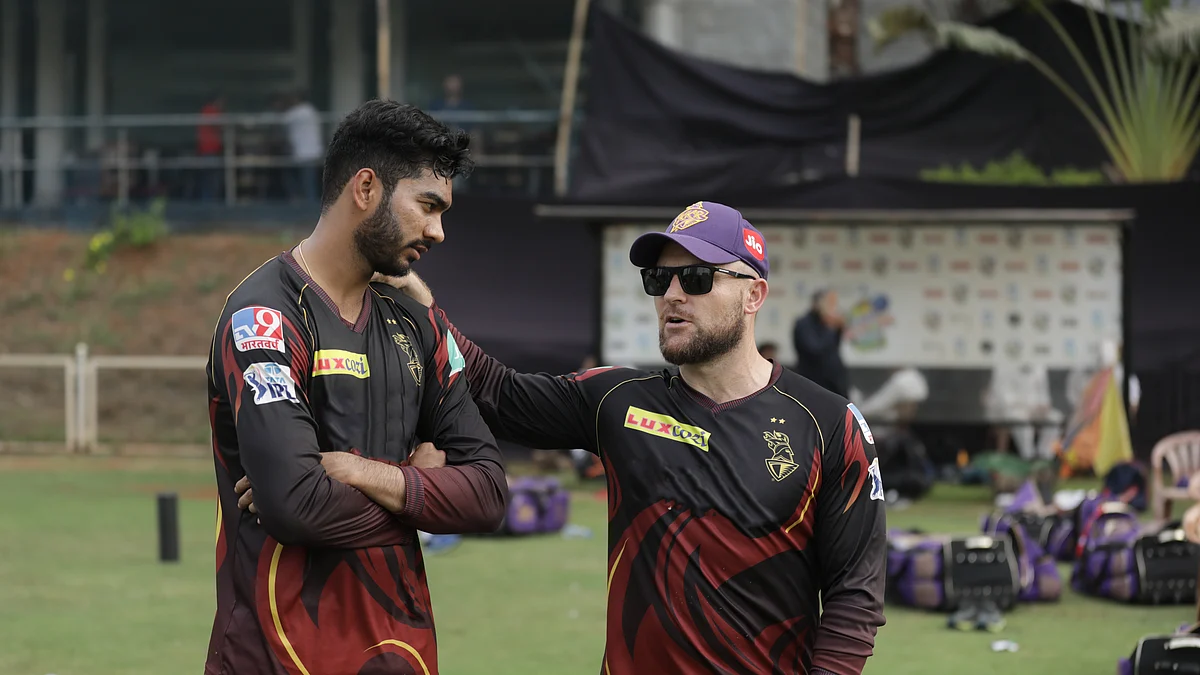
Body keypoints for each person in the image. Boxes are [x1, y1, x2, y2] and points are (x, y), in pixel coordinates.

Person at [375, 201, 887, 674]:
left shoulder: (830, 423)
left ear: (754, 294)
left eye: (696, 277)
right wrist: (424, 308)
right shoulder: (619, 400)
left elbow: (855, 597)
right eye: (659, 278)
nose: (672, 294)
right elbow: (495, 390)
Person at [206, 99, 508, 675]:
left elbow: (490, 495)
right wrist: (423, 489)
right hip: (277, 658)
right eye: (427, 206)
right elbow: (296, 505)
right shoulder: (264, 317)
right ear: (365, 188)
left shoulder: (416, 323)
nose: (438, 231)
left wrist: (373, 474)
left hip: (404, 656)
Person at [793, 289, 851, 397]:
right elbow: (815, 350)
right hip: (814, 384)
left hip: (834, 383)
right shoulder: (804, 324)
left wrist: (838, 329)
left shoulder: (826, 324)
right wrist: (832, 328)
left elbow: (834, 348)